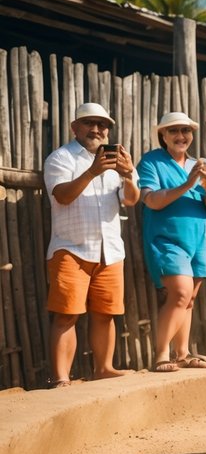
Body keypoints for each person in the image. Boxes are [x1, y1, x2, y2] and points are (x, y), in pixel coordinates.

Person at [43, 102, 140, 387]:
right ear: (75, 127)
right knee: (66, 315)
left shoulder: (117, 161)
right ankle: (62, 378)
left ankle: (104, 368)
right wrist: (92, 172)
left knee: (105, 314)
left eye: (102, 125)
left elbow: (131, 199)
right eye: (89, 123)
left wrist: (127, 172)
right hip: (70, 248)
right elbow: (61, 195)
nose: (96, 129)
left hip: (109, 249)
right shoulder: (60, 158)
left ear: (108, 130)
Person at [137, 112, 206, 372]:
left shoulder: (199, 163)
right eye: (173, 131)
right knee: (180, 293)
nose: (181, 136)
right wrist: (188, 183)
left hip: (197, 241)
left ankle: (182, 354)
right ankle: (162, 355)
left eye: (186, 130)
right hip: (167, 240)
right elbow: (151, 200)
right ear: (163, 135)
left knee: (190, 299)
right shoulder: (151, 162)